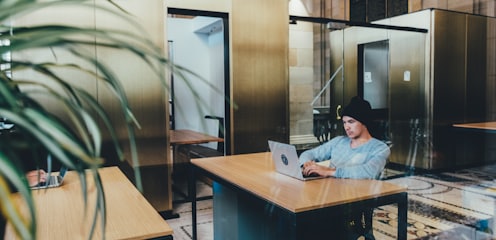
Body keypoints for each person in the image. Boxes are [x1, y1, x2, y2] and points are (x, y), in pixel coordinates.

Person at [298, 96, 390, 240]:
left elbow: (368, 171)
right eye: (345, 122)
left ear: (364, 122)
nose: (347, 127)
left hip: (351, 204)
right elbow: (309, 153)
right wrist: (306, 163)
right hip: (327, 197)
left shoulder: (379, 148)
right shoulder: (339, 141)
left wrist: (330, 172)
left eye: (351, 122)